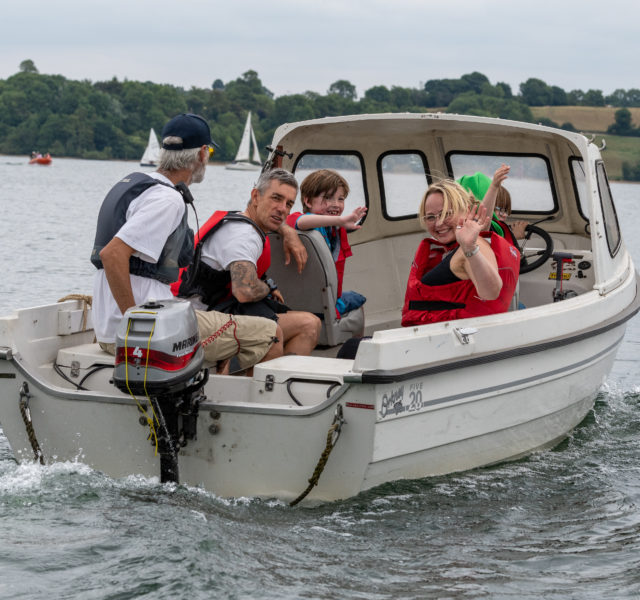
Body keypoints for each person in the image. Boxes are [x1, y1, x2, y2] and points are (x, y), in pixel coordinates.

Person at [91, 113, 282, 372]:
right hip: (147, 330)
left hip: (108, 327)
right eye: (210, 151)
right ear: (202, 153)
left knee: (225, 328)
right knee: (271, 333)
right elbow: (112, 254)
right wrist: (132, 326)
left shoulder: (135, 183)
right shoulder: (167, 199)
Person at [176, 168, 321, 356]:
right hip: (193, 323)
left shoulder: (240, 221)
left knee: (302, 321)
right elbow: (245, 291)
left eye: (289, 204)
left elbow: (267, 218)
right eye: (276, 198)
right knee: (306, 325)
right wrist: (267, 288)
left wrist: (286, 230)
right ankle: (269, 383)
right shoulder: (243, 236)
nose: (283, 208)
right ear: (256, 196)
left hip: (202, 312)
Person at [401, 179, 521, 327]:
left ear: (466, 210)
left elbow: (491, 292)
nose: (438, 223)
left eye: (446, 213)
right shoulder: (454, 248)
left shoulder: (472, 246)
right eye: (431, 217)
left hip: (451, 339)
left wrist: (470, 248)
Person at [286, 169, 367, 316]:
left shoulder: (334, 230)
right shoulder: (305, 221)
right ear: (308, 201)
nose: (336, 204)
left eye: (341, 199)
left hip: (326, 299)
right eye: (328, 198)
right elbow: (299, 221)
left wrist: (340, 224)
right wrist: (340, 220)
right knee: (357, 299)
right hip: (318, 304)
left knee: (356, 297)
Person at [457, 165, 527, 246]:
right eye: (500, 210)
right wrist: (513, 238)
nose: (504, 215)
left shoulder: (499, 229)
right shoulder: (475, 230)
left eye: (506, 211)